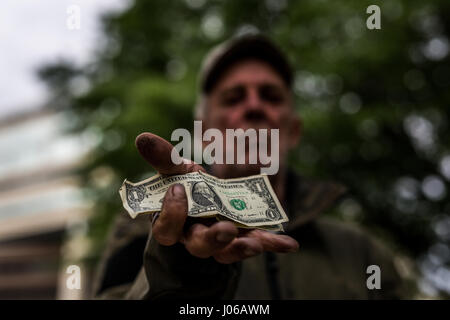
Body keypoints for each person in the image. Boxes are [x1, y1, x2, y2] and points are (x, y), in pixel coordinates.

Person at [92, 34, 408, 299]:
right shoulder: (145, 223)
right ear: (203, 132)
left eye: (270, 96)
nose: (254, 107)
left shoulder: (361, 251)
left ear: (294, 130)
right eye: (233, 98)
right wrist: (177, 270)